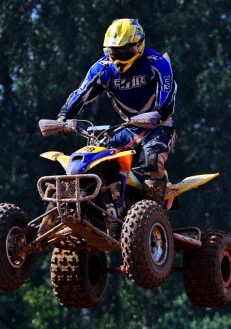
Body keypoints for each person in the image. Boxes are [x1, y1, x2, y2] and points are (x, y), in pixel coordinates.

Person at [57, 18, 178, 205]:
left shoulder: (157, 63)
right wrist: (64, 116)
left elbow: (168, 94)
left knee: (151, 159)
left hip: (159, 126)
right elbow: (82, 93)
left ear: (139, 46)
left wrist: (159, 113)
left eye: (125, 52)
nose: (119, 58)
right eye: (114, 52)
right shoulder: (103, 68)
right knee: (95, 160)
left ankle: (152, 211)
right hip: (128, 128)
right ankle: (90, 205)